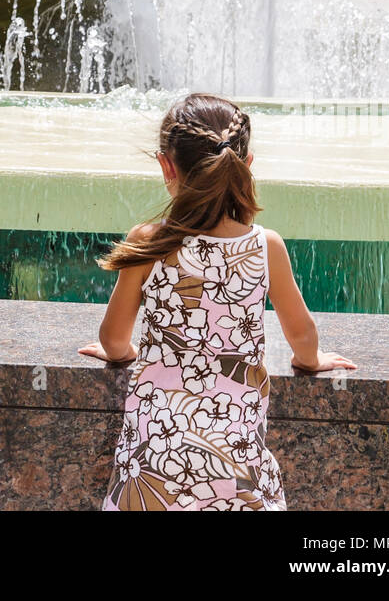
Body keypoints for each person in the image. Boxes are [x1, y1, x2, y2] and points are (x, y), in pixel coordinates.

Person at [80, 92, 356, 512]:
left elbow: (114, 339)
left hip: (154, 463)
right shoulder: (265, 246)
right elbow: (302, 335)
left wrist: (128, 351)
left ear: (166, 166)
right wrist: (311, 361)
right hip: (236, 463)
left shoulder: (149, 242)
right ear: (245, 165)